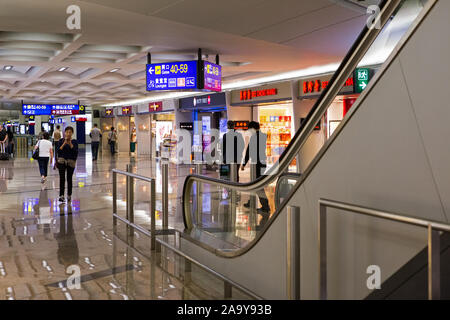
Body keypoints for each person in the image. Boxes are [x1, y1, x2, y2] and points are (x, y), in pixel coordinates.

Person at [241, 121, 270, 217]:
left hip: (257, 164)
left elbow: (249, 151)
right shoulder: (263, 136)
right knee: (255, 183)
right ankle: (251, 202)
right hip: (262, 163)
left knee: (258, 186)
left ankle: (266, 206)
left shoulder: (254, 137)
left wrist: (243, 164)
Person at [55, 126, 78, 203]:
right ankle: (61, 195)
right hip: (61, 161)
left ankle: (69, 195)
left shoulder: (74, 142)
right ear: (64, 133)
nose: (68, 134)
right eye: (67, 132)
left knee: (69, 178)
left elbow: (75, 152)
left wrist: (70, 143)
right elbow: (58, 151)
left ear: (72, 133)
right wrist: (64, 143)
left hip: (71, 162)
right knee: (62, 178)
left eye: (70, 132)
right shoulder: (61, 141)